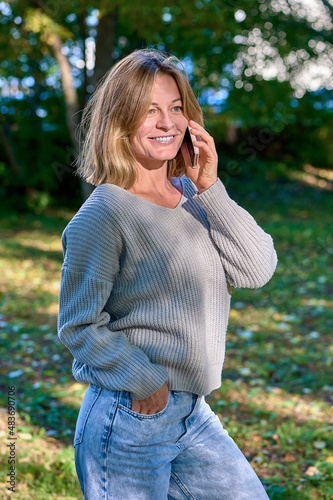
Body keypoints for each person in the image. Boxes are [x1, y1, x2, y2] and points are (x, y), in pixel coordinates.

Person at [58, 49, 277, 500]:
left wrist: (210, 188)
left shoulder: (193, 197)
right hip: (130, 413)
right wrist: (145, 379)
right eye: (149, 111)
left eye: (175, 108)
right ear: (119, 121)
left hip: (192, 412)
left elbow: (257, 269)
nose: (167, 123)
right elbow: (78, 325)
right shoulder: (103, 214)